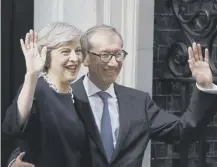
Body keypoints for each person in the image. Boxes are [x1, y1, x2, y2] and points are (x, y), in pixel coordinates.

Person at [6, 25, 217, 167]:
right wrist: (13, 160)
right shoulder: (67, 95)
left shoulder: (138, 102)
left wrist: (204, 85)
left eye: (118, 54)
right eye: (105, 55)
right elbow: (37, 136)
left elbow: (183, 131)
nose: (114, 62)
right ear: (86, 59)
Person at [2, 22, 91, 167]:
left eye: (78, 50)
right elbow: (15, 125)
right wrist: (31, 75)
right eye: (65, 51)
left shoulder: (77, 97)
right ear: (46, 55)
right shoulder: (36, 89)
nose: (75, 58)